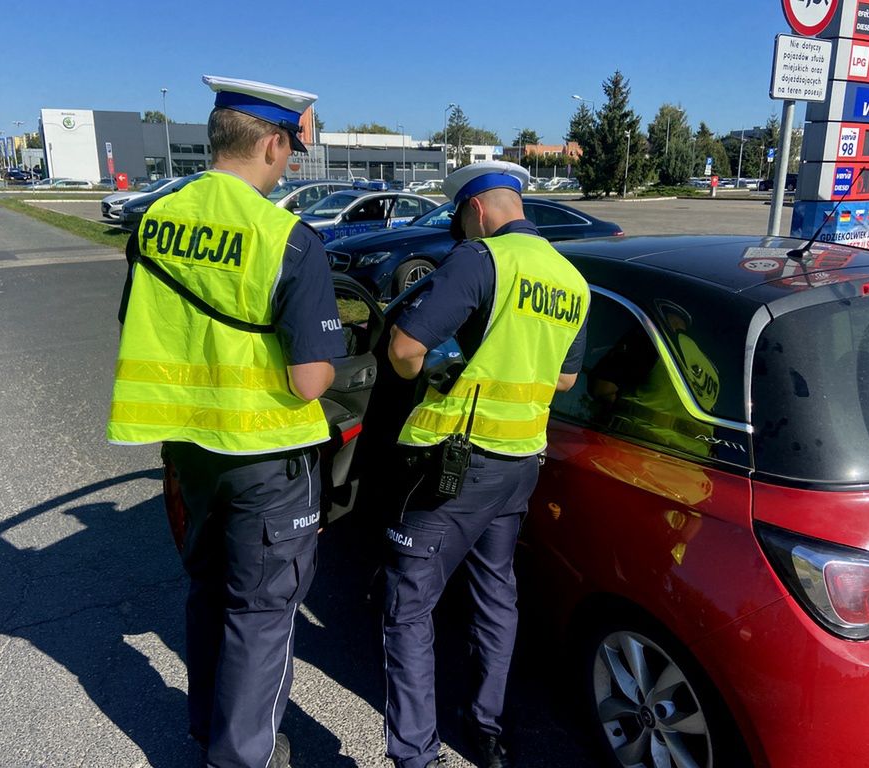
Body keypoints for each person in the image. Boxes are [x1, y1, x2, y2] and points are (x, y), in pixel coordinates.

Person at [107, 75, 345, 768]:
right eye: (291, 152)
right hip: (267, 459)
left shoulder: (155, 223)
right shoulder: (287, 238)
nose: (289, 167)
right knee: (262, 617)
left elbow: (139, 323)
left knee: (208, 593)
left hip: (188, 449)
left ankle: (206, 731)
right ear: (273, 143)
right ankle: (241, 759)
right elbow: (308, 381)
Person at [381, 161, 589, 768]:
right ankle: (487, 729)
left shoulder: (482, 260)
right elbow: (567, 376)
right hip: (521, 461)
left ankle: (416, 754)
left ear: (475, 211)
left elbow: (403, 348)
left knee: (408, 604)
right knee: (496, 593)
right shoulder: (569, 279)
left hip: (456, 462)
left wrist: (425, 377)